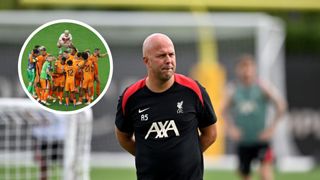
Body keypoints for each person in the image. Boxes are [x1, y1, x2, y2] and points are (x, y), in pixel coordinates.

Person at [115, 33, 217, 180]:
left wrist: (188, 156)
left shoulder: (193, 90)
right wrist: (148, 156)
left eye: (171, 54)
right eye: (162, 56)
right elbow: (123, 137)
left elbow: (211, 133)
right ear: (147, 61)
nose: (169, 60)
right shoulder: (130, 97)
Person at [221, 54, 287, 180]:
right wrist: (231, 129)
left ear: (254, 68)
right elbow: (223, 110)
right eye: (243, 67)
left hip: (261, 140)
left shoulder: (262, 87)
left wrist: (271, 129)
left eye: (249, 67)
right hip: (243, 141)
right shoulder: (234, 89)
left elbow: (281, 105)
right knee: (245, 175)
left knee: (265, 174)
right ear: (237, 70)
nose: (246, 71)